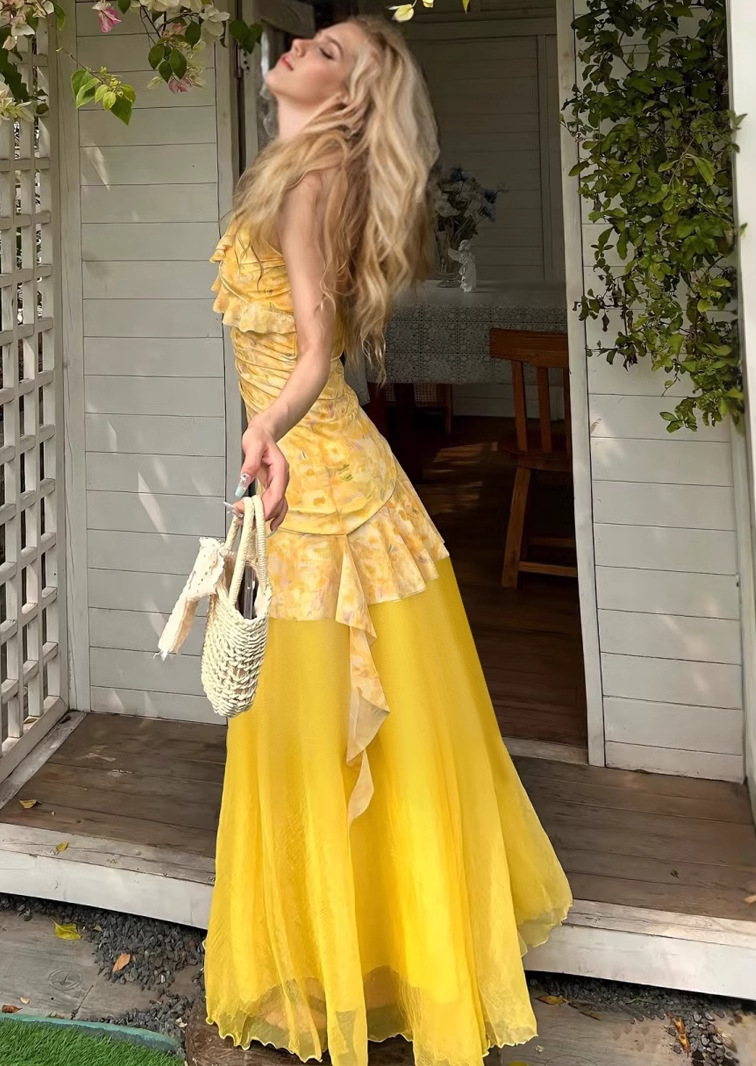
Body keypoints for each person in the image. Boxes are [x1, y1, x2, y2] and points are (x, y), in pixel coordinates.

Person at [203, 16, 572, 1066]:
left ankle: (362, 967)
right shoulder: (288, 172)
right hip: (315, 479)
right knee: (315, 733)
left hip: (328, 498)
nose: (297, 49)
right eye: (307, 40)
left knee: (327, 734)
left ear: (349, 97)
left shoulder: (311, 182)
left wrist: (266, 430)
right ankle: (344, 958)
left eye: (325, 51)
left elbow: (316, 348)